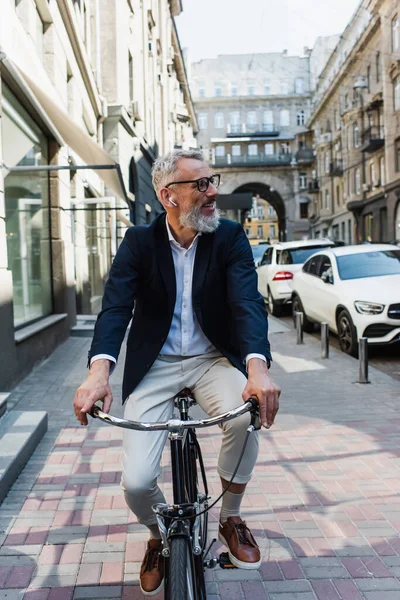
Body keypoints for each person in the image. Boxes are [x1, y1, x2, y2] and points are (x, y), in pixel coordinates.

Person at [73, 149, 281, 596]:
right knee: (138, 482)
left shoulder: (228, 237)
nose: (213, 192)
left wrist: (256, 367)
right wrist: (98, 372)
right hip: (156, 365)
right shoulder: (137, 243)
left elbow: (247, 303)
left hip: (211, 360)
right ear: (168, 195)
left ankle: (230, 517)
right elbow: (115, 310)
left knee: (246, 415)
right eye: (201, 185)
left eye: (213, 181)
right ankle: (157, 535)